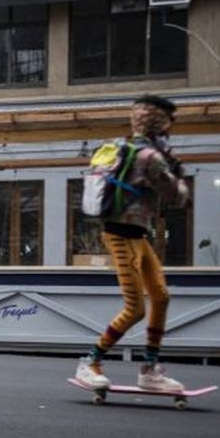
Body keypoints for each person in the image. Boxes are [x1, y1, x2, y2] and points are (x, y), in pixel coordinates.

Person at [75, 95, 190, 392]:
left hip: (136, 236)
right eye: (168, 121)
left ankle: (150, 369)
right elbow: (176, 197)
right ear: (159, 122)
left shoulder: (127, 151)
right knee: (136, 308)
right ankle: (90, 362)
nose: (171, 127)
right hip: (122, 236)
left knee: (161, 296)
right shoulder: (150, 157)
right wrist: (179, 175)